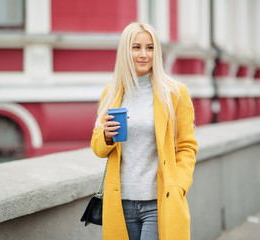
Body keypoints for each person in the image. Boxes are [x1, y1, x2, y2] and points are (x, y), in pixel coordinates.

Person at [90, 22, 198, 240]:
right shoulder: (111, 93)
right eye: (136, 47)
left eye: (150, 48)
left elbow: (187, 146)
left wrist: (179, 185)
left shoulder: (175, 93)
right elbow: (98, 148)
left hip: (160, 200)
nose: (144, 54)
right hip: (121, 202)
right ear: (125, 51)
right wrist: (107, 136)